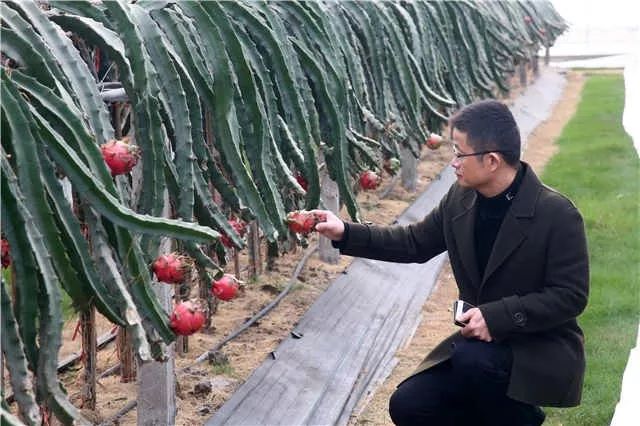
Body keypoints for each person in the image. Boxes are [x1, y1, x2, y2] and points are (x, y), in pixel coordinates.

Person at [314, 99, 589, 426]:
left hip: (538, 346)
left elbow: (570, 295)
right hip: (480, 346)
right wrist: (344, 231)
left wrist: (496, 316)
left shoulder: (556, 214)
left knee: (474, 363)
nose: (452, 162)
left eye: (459, 153)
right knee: (410, 405)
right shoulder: (461, 200)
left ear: (491, 161)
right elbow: (414, 243)